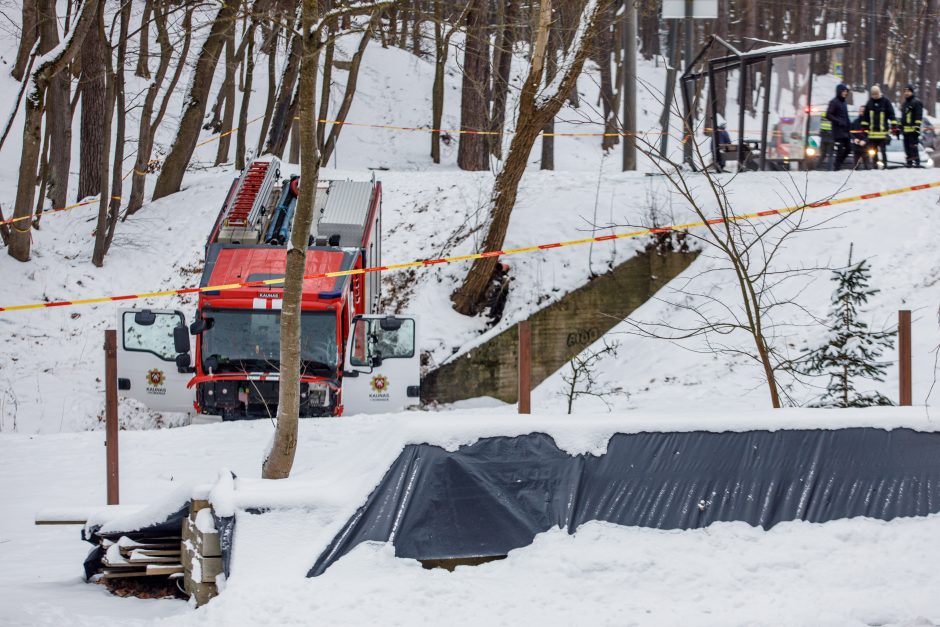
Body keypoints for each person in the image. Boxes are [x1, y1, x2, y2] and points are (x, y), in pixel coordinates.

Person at [862, 85, 896, 168]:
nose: (875, 96)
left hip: (883, 133)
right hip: (872, 134)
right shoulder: (869, 103)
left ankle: (885, 166)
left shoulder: (885, 102)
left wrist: (894, 125)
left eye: (876, 94)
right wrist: (864, 128)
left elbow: (891, 114)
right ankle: (875, 166)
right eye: (873, 95)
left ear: (879, 93)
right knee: (873, 151)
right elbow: (865, 117)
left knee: (883, 151)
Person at [825, 83, 851, 170]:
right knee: (840, 149)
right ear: (839, 91)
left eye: (846, 91)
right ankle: (837, 167)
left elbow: (846, 116)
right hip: (838, 131)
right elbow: (828, 115)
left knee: (849, 148)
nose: (845, 93)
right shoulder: (834, 102)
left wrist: (849, 124)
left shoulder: (844, 103)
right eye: (843, 91)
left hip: (845, 130)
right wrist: (838, 121)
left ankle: (839, 163)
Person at [900, 84, 924, 167]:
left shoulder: (916, 102)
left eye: (908, 91)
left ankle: (917, 163)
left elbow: (918, 116)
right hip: (905, 131)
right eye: (905, 91)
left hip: (913, 130)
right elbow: (903, 117)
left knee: (913, 148)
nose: (906, 93)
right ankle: (909, 163)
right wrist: (900, 127)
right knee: (907, 149)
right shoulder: (904, 104)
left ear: (912, 92)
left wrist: (917, 128)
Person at [850, 105, 871, 170]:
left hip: (866, 147)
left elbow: (871, 134)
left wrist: (865, 140)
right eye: (860, 111)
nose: (861, 112)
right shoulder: (855, 122)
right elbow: (850, 132)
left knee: (867, 167)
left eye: (863, 111)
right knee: (855, 167)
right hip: (856, 147)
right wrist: (854, 139)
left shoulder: (869, 122)